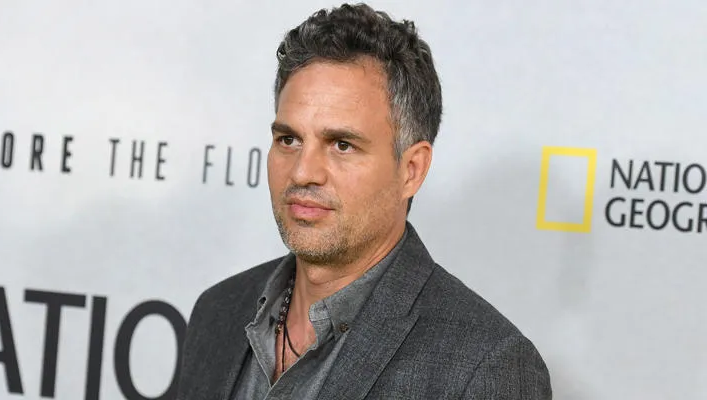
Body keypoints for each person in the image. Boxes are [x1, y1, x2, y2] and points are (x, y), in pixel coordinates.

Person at [176, 3, 552, 399]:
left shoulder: (486, 367)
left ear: (411, 169)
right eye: (289, 139)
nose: (303, 172)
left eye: (342, 144)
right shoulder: (218, 312)